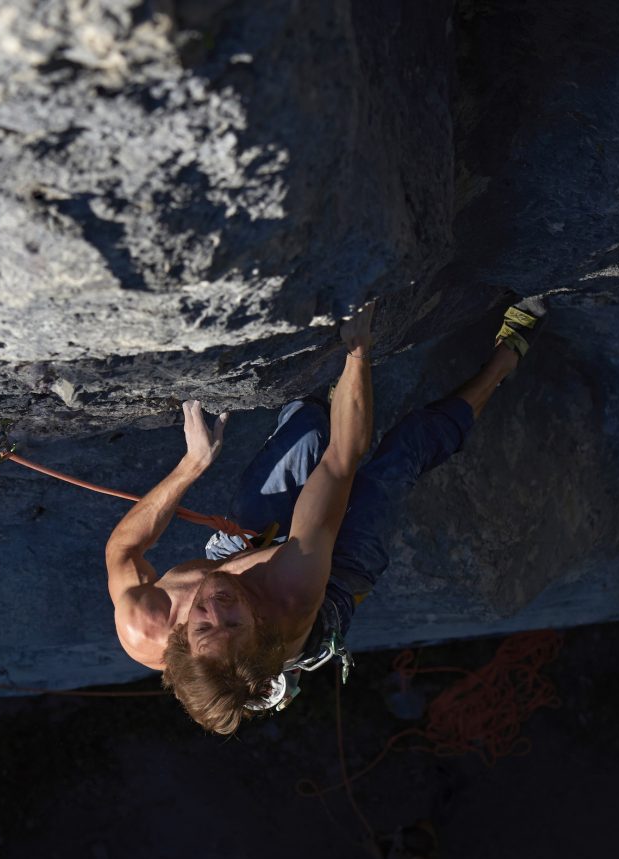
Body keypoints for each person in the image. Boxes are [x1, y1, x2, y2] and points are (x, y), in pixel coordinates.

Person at [105, 300, 538, 733]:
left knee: (309, 426)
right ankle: (505, 358)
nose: (216, 606)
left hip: (242, 549)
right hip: (334, 578)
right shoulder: (291, 595)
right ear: (258, 623)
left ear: (181, 640)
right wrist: (357, 348)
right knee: (402, 454)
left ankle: (333, 404)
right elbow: (340, 462)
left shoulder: (145, 624)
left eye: (204, 625)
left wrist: (193, 463)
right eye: (233, 622)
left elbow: (123, 549)